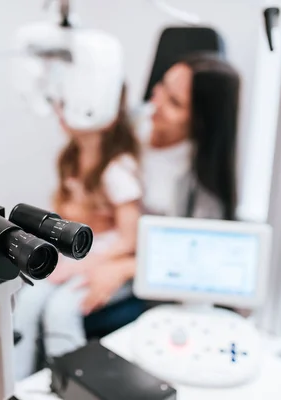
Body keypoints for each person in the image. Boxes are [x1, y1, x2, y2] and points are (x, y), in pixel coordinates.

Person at [75, 52, 241, 317]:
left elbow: (192, 258)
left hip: (147, 269)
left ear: (200, 122)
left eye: (174, 102)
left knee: (61, 312)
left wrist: (126, 267)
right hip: (104, 241)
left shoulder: (198, 186)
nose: (157, 101)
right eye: (163, 85)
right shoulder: (133, 125)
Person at [13, 87, 143, 380]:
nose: (62, 108)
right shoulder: (71, 159)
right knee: (28, 299)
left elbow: (129, 239)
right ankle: (17, 382)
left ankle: (68, 384)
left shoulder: (117, 171)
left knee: (60, 310)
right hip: (76, 253)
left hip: (108, 258)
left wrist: (83, 265)